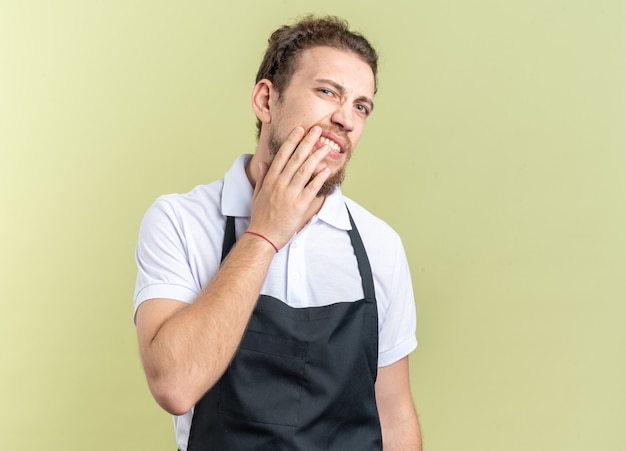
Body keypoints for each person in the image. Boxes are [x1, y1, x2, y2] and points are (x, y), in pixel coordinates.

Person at [134, 15, 422, 450]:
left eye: (361, 106)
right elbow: (174, 385)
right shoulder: (180, 221)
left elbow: (394, 414)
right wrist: (264, 233)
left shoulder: (380, 245)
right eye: (328, 92)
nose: (346, 119)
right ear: (267, 100)